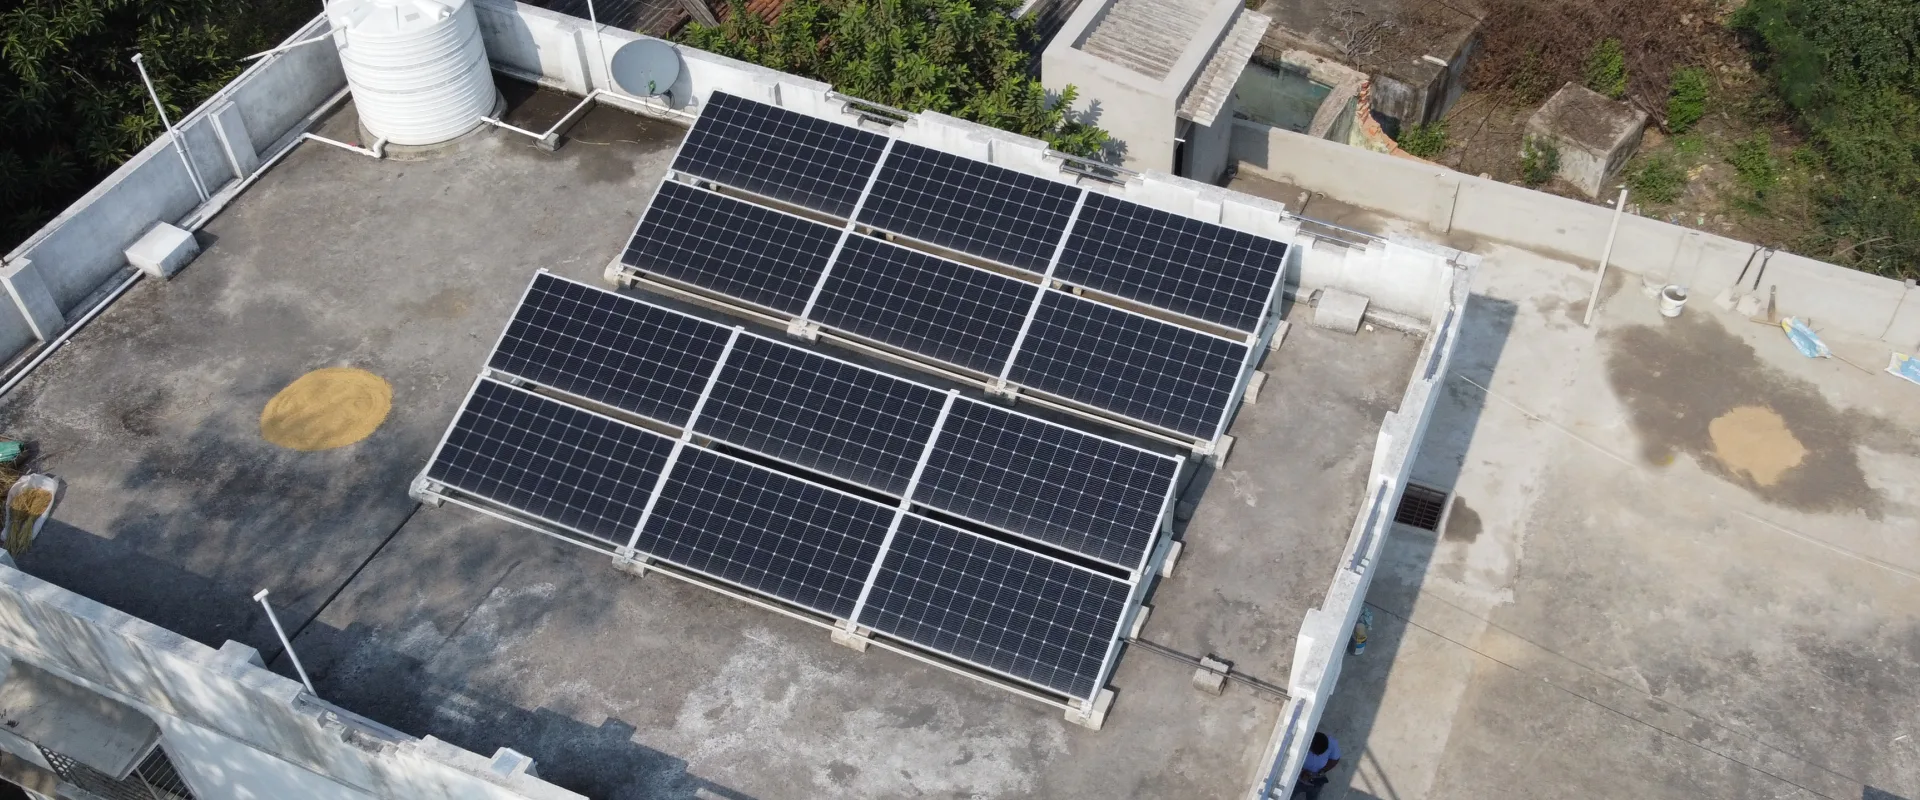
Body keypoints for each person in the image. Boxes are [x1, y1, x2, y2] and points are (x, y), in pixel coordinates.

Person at [1292, 732, 1341, 799]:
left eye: (1320, 754)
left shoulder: (1332, 743)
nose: (1317, 755)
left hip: (1316, 781)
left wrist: (1322, 771)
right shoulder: (1298, 743)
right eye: (1315, 752)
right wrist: (1301, 772)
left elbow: (1335, 760)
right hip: (1296, 780)